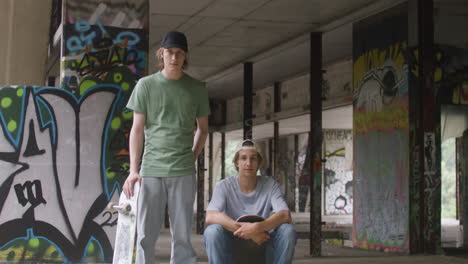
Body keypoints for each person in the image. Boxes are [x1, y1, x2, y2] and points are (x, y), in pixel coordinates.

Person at [123, 31, 210, 264]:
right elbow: (137, 129)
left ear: (185, 56)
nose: (174, 57)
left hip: (183, 170)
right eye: (170, 52)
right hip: (151, 169)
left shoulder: (197, 88)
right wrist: (134, 170)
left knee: (182, 235)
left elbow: (203, 129)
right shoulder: (145, 85)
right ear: (161, 54)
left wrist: (192, 157)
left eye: (179, 53)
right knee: (145, 235)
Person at [204, 139, 297, 264]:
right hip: (233, 242)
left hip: (262, 240)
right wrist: (249, 233)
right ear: (237, 162)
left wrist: (257, 228)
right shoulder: (224, 186)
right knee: (212, 232)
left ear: (259, 163)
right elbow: (211, 216)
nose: (248, 163)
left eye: (253, 158)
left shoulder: (270, 184)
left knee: (287, 230)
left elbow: (285, 215)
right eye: (243, 158)